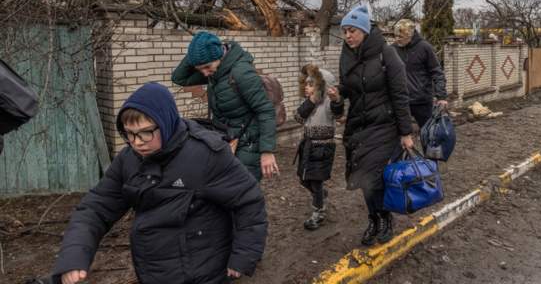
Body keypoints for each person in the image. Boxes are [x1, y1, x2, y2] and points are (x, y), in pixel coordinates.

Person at [52, 82, 268, 284]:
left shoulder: (206, 155)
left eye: (146, 132)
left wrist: (243, 256)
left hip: (203, 271)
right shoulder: (128, 159)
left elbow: (248, 201)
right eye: (130, 134)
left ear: (165, 123)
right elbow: (95, 208)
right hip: (152, 269)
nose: (137, 142)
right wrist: (74, 257)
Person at [328, 4, 414, 246]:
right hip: (358, 126)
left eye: (352, 30)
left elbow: (400, 94)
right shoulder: (346, 55)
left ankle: (385, 218)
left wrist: (406, 132)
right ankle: (374, 219)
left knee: (374, 176)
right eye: (345, 31)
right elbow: (348, 88)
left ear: (365, 30)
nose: (348, 36)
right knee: (363, 177)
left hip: (385, 125)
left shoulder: (387, 54)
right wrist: (337, 96)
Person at [172, 31, 279, 181]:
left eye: (207, 67)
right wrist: (195, 53)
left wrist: (267, 151)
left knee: (243, 194)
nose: (204, 73)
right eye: (199, 69)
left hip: (248, 145)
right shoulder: (215, 72)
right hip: (226, 140)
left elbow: (265, 111)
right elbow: (179, 78)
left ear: (219, 55)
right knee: (227, 194)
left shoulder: (241, 73)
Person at [294, 64, 342, 230]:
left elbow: (338, 113)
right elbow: (298, 117)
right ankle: (321, 195)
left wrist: (336, 100)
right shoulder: (308, 102)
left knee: (316, 181)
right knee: (304, 179)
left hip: (323, 149)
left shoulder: (329, 103)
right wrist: (311, 101)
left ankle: (318, 212)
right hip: (307, 146)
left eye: (311, 84)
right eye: (306, 84)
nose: (307, 88)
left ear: (322, 86)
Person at [392, 19, 448, 128]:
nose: (397, 39)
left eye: (401, 36)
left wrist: (441, 96)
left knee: (428, 134)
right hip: (401, 101)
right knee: (398, 135)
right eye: (395, 36)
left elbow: (437, 73)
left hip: (422, 101)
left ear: (410, 35)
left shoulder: (424, 48)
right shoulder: (393, 49)